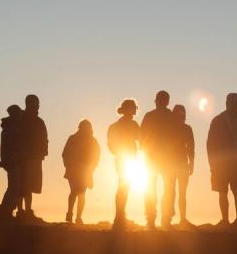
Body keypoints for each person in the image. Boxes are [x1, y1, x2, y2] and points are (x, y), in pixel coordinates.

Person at [206, 93, 237, 230]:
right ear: (230, 104)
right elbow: (210, 143)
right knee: (224, 191)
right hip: (222, 164)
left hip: (235, 165)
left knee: (235, 191)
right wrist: (212, 162)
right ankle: (226, 220)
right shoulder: (218, 121)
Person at [140, 91, 176, 229]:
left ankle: (153, 219)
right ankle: (162, 219)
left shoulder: (150, 116)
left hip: (155, 158)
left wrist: (145, 149)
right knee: (166, 189)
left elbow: (141, 135)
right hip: (161, 159)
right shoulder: (170, 116)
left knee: (153, 189)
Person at [107, 99, 140, 230]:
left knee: (123, 186)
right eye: (133, 108)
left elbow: (110, 144)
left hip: (122, 158)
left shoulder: (115, 126)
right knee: (124, 187)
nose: (134, 110)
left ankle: (120, 216)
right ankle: (119, 216)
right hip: (127, 158)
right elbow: (142, 139)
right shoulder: (133, 125)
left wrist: (117, 152)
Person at [61, 119, 100, 224]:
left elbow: (96, 156)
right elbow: (65, 154)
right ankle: (71, 214)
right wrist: (68, 165)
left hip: (85, 171)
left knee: (80, 193)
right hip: (74, 170)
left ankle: (77, 217)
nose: (85, 130)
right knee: (75, 192)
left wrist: (92, 167)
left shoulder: (92, 141)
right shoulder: (73, 139)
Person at [19, 94, 48, 221]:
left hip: (35, 158)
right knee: (22, 185)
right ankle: (21, 211)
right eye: (36, 104)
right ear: (28, 104)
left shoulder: (38, 121)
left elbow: (44, 139)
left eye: (38, 104)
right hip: (23, 158)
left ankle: (26, 210)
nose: (37, 107)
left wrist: (42, 153)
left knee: (29, 186)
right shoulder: (21, 119)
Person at [0, 105, 24, 220]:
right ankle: (3, 213)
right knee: (13, 188)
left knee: (13, 188)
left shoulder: (8, 128)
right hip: (13, 162)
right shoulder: (12, 130)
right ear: (16, 115)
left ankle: (5, 212)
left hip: (10, 161)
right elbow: (14, 147)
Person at [169, 104, 195, 227]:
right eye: (179, 113)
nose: (181, 116)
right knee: (170, 192)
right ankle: (168, 218)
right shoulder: (169, 128)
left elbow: (191, 147)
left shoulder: (187, 129)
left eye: (182, 114)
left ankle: (182, 218)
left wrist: (192, 163)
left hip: (182, 164)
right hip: (170, 164)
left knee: (181, 193)